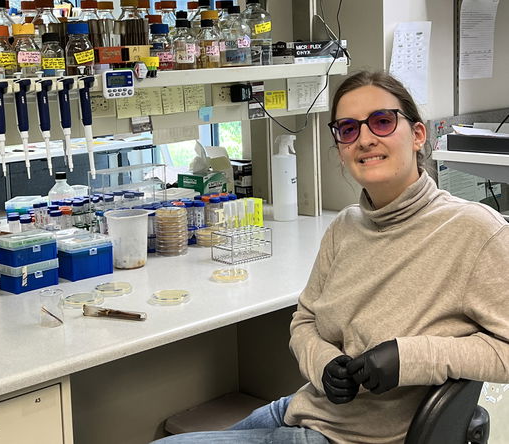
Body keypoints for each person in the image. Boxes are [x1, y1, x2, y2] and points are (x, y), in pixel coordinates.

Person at [151, 71, 509, 444]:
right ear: (340, 147)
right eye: (349, 129)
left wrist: (410, 357)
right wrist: (323, 365)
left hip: (352, 437)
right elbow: (304, 320)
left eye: (382, 122)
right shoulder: (346, 226)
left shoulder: (474, 230)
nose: (366, 139)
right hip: (308, 406)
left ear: (418, 135)